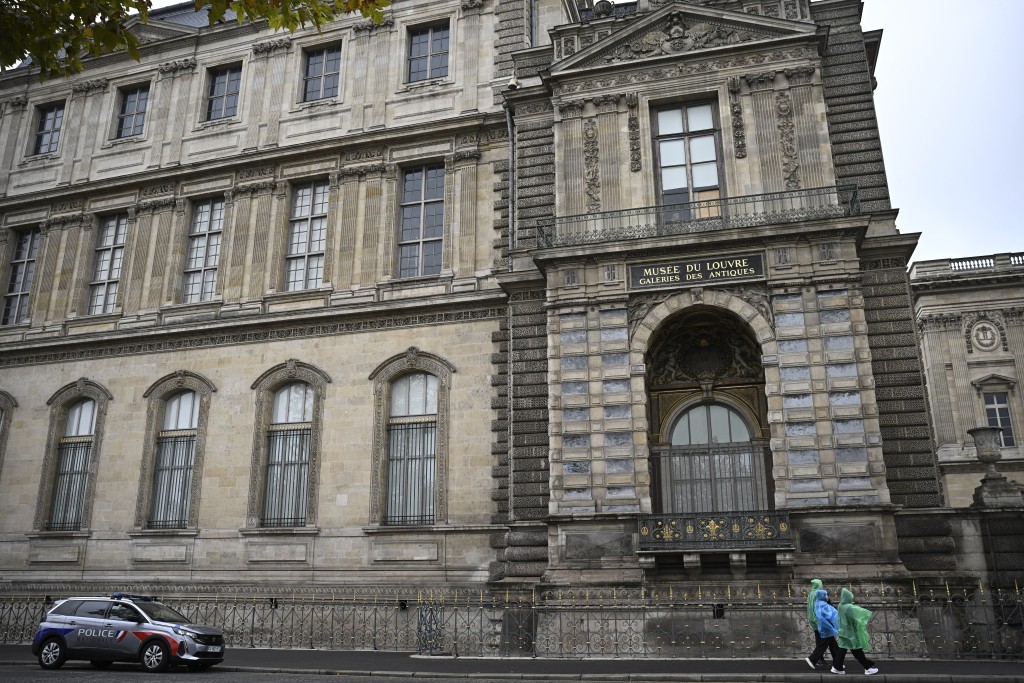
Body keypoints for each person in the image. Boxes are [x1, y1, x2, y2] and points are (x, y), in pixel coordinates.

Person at [836, 588, 879, 676]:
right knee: (857, 649)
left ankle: (837, 667)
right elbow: (860, 613)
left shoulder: (840, 605)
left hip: (843, 631)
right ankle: (867, 668)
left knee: (843, 649)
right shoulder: (848, 607)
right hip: (850, 633)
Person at [804, 588, 844, 673]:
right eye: (826, 595)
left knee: (833, 645)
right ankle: (812, 659)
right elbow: (830, 614)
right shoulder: (823, 604)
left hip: (824, 627)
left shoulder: (818, 603)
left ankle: (838, 663)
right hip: (827, 627)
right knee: (823, 645)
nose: (827, 596)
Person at [804, 579, 830, 668]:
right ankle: (815, 659)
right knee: (824, 641)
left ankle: (820, 659)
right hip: (819, 619)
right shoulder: (818, 593)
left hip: (812, 619)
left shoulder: (810, 594)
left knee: (820, 640)